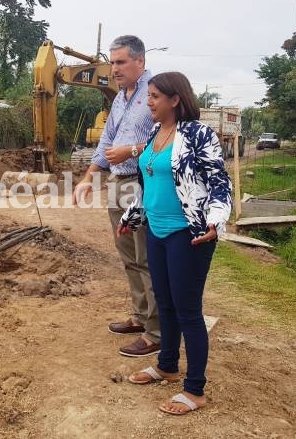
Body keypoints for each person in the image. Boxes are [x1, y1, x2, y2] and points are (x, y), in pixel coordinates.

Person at [118, 71, 232, 415]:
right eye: (148, 96)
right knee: (164, 303)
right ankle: (167, 366)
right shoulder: (155, 133)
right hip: (157, 230)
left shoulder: (198, 134)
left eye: (154, 96)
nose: (148, 102)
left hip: (190, 234)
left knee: (188, 311)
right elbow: (148, 183)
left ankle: (195, 390)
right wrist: (132, 216)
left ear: (175, 99)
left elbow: (219, 183)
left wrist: (215, 220)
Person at [73, 35, 161, 358]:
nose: (115, 68)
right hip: (118, 181)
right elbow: (106, 140)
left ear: (140, 61)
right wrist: (88, 178)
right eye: (112, 62)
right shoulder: (120, 98)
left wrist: (132, 150)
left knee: (147, 258)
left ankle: (156, 332)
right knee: (128, 256)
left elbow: (166, 135)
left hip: (143, 183)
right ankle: (139, 317)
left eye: (121, 62)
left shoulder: (156, 92)